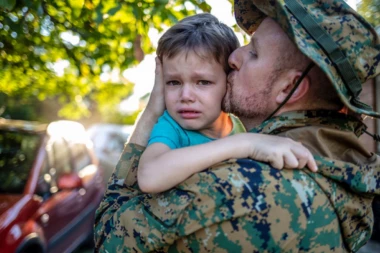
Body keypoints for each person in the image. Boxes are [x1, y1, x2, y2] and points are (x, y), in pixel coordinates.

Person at [94, 0, 380, 252]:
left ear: (290, 88)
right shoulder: (332, 158)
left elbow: (109, 238)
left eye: (253, 52)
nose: (234, 58)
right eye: (174, 82)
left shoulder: (246, 187)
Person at [138, 13, 317, 194]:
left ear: (229, 81)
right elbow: (149, 177)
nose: (185, 96)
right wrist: (244, 144)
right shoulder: (171, 127)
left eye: (203, 82)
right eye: (173, 82)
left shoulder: (240, 125)